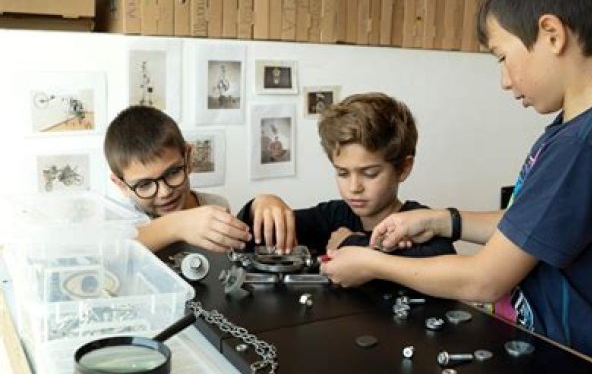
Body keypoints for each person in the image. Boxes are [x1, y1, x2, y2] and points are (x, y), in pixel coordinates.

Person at [319, 0, 592, 366]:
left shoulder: (588, 145)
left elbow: (483, 280)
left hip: (556, 363)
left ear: (552, 34)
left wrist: (371, 264)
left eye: (502, 57)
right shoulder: (586, 130)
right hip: (527, 344)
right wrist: (442, 220)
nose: (504, 80)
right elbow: (531, 224)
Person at [238, 93, 456, 258]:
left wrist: (350, 243)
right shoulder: (332, 216)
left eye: (370, 174)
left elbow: (443, 265)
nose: (354, 187)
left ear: (403, 168)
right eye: (342, 173)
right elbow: (254, 239)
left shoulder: (421, 223)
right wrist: (262, 205)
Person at [104, 105, 252, 253]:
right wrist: (179, 225)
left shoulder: (215, 205)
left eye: (172, 172)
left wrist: (256, 208)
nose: (164, 192)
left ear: (188, 158)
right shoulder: (121, 221)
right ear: (121, 185)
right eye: (144, 184)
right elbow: (111, 250)